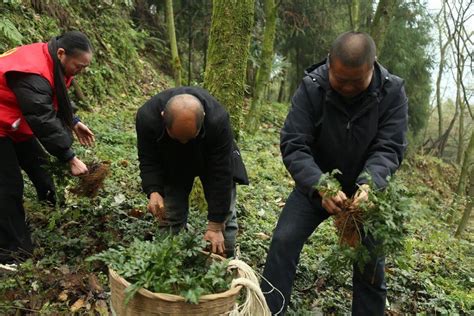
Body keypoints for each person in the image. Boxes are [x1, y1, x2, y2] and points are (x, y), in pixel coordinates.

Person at [261, 31, 408, 315]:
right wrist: (319, 184)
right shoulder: (312, 87)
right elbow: (294, 143)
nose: (348, 87)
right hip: (317, 181)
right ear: (330, 63)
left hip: (368, 192)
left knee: (371, 264)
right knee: (283, 241)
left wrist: (370, 185)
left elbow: (389, 147)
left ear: (372, 66)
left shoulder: (392, 92)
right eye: (340, 80)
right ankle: (268, 310)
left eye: (357, 81)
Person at [0, 31, 95, 263]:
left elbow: (52, 94)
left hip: (15, 121)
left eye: (84, 68)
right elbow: (42, 118)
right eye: (79, 66)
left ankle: (49, 214)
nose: (80, 71)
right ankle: (10, 253)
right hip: (3, 124)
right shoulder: (33, 70)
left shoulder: (51, 60)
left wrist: (73, 121)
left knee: (40, 167)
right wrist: (69, 157)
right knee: (8, 187)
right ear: (62, 54)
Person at [136, 87, 248, 258]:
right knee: (170, 215)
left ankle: (226, 266)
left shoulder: (218, 120)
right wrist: (154, 190)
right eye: (178, 137)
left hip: (211, 160)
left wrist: (215, 225)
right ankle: (166, 263)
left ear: (203, 118)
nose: (183, 142)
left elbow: (221, 173)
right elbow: (148, 158)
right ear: (163, 117)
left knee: (225, 220)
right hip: (171, 162)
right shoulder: (147, 118)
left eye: (189, 137)